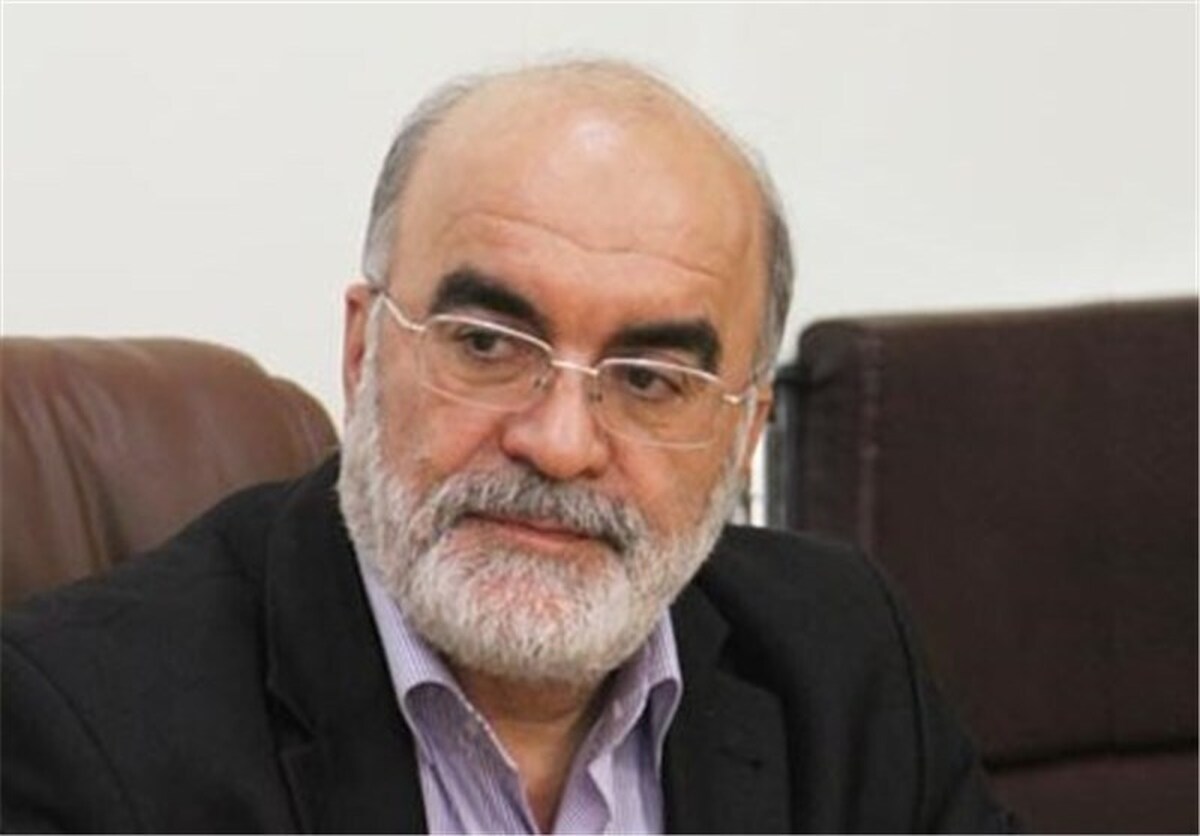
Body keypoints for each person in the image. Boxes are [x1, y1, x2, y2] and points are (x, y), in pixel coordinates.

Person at [2, 60, 1013, 833]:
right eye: (487, 345)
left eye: (649, 380)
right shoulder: (78, 725)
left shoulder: (839, 657)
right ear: (363, 351)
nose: (560, 444)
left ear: (745, 430)